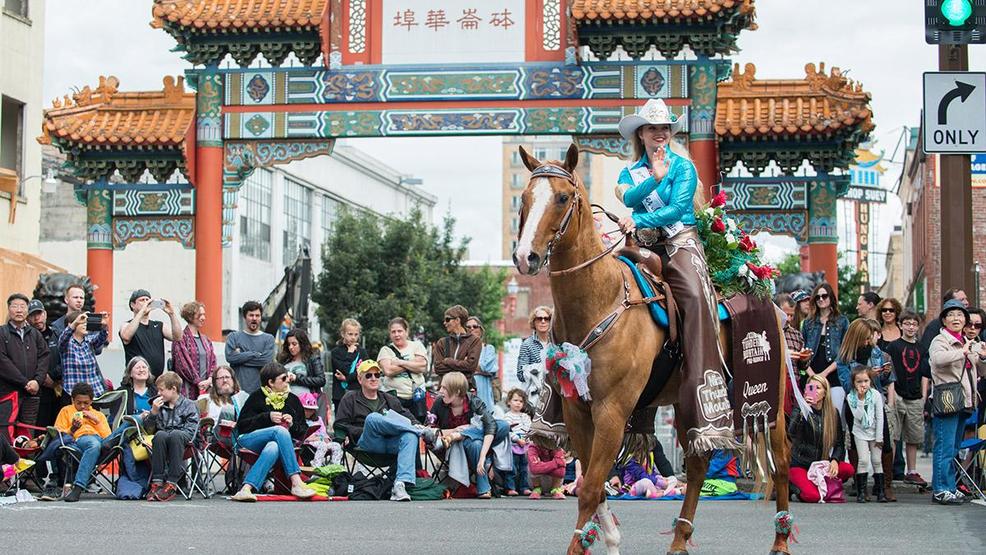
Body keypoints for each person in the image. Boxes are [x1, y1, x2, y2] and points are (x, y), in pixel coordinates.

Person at [615, 97, 736, 452]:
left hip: (680, 241)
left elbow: (679, 209)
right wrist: (653, 177)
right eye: (653, 128)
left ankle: (705, 383)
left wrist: (640, 217)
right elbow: (628, 197)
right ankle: (636, 397)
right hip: (646, 246)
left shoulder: (684, 167)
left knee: (697, 297)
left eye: (665, 128)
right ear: (641, 133)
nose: (660, 134)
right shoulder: (629, 172)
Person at [334, 359, 433, 502]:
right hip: (367, 442)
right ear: (359, 379)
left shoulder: (388, 398)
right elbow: (340, 425)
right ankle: (421, 432)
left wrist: (415, 424)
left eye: (377, 375)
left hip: (390, 442)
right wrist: (353, 433)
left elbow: (407, 416)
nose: (374, 378)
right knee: (373, 418)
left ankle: (400, 485)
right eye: (368, 375)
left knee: (410, 435)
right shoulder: (350, 398)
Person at [230, 362, 316, 502]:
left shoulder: (293, 400)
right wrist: (266, 417)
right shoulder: (256, 397)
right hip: (249, 439)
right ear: (270, 382)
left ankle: (246, 489)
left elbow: (302, 431)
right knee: (279, 431)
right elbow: (242, 425)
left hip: (278, 443)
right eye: (283, 378)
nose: (287, 380)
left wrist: (292, 424)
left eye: (287, 377)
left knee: (273, 447)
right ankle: (296, 481)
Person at [928, 299, 984, 505]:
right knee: (944, 447)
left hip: (965, 400)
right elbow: (937, 360)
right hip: (948, 399)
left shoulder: (968, 341)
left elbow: (980, 371)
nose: (956, 318)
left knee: (953, 448)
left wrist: (983, 357)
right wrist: (963, 351)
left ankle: (950, 487)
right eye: (951, 315)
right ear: (944, 320)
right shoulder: (940, 341)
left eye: (960, 315)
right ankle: (941, 489)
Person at [430, 371, 509, 499]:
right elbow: (429, 430)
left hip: (474, 444)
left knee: (503, 425)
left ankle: (462, 435)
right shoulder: (439, 403)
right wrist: (454, 430)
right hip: (450, 446)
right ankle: (484, 489)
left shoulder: (474, 401)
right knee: (476, 443)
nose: (440, 391)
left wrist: (483, 456)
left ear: (457, 392)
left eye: (444, 388)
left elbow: (491, 426)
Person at [786, 375, 853, 503]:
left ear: (825, 393)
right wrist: (803, 410)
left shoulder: (833, 413)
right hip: (800, 463)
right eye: (811, 387)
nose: (814, 391)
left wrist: (834, 460)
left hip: (820, 464)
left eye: (818, 388)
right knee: (813, 497)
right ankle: (793, 485)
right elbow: (791, 433)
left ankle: (819, 485)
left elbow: (839, 443)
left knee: (847, 469)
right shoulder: (800, 408)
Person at [884, 310, 930, 489]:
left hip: (916, 396)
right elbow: (890, 372)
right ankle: (888, 471)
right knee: (894, 435)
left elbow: (925, 374)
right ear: (900, 325)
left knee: (913, 437)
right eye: (907, 324)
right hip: (898, 394)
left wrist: (924, 396)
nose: (910, 327)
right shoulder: (893, 347)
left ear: (918, 327)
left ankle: (911, 471)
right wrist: (892, 396)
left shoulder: (921, 348)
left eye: (914, 324)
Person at [143, 371, 200, 502]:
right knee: (160, 434)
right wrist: (153, 413)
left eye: (161, 390)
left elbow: (191, 430)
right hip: (164, 442)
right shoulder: (159, 406)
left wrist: (175, 433)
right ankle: (157, 482)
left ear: (173, 389)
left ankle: (172, 483)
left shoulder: (189, 405)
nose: (159, 393)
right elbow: (149, 430)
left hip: (185, 441)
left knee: (175, 434)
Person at [49, 382, 111, 502]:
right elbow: (59, 435)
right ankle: (78, 487)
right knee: (93, 444)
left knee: (98, 443)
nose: (82, 406)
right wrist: (72, 429)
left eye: (86, 403)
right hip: (77, 440)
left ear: (91, 401)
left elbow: (108, 436)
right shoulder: (66, 411)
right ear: (73, 400)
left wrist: (96, 421)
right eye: (79, 403)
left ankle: (78, 487)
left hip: (100, 441)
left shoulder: (98, 415)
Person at [0, 293, 49, 437]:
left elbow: (44, 356)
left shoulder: (34, 334)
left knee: (27, 432)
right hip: (8, 393)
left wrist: (37, 381)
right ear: (9, 309)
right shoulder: (2, 333)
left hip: (31, 393)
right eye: (15, 306)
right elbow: (2, 362)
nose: (19, 310)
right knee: (5, 432)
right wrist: (24, 382)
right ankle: (7, 460)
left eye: (22, 306)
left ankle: (27, 459)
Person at [802, 283, 850, 413]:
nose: (821, 299)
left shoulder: (842, 321)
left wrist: (825, 373)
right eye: (817, 297)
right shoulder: (808, 322)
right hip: (812, 374)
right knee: (811, 413)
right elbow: (802, 350)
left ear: (831, 298)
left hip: (835, 376)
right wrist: (811, 374)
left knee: (835, 414)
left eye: (824, 296)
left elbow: (845, 352)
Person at [119, 289, 182, 379]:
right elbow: (126, 337)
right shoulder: (127, 325)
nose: (146, 303)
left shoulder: (159, 325)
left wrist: (172, 314)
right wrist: (141, 312)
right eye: (142, 300)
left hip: (156, 381)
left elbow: (178, 337)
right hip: (136, 379)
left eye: (147, 300)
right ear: (132, 305)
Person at [844, 367, 886, 503]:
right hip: (860, 432)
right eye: (859, 382)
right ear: (854, 383)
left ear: (870, 381)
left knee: (877, 460)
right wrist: (861, 400)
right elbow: (858, 416)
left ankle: (881, 491)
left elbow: (880, 417)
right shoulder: (851, 397)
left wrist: (879, 437)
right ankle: (861, 492)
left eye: (866, 381)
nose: (863, 385)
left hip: (875, 432)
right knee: (863, 460)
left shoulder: (875, 395)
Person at [377, 317, 428, 422]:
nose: (397, 334)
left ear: (406, 332)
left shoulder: (417, 345)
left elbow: (422, 366)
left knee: (419, 426)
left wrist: (401, 362)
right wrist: (412, 363)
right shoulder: (386, 350)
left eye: (400, 331)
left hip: (416, 397)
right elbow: (388, 371)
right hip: (394, 398)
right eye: (393, 332)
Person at [225, 301, 276, 394]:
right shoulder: (234, 336)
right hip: (237, 391)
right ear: (245, 317)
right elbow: (230, 357)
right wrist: (254, 354)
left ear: (261, 317)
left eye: (257, 315)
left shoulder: (269, 339)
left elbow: (266, 361)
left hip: (260, 392)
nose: (254, 318)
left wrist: (240, 357)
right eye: (251, 315)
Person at [27, 299, 63, 427]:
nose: (37, 318)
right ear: (27, 318)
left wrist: (53, 378)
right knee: (40, 428)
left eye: (39, 313)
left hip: (57, 389)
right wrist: (41, 377)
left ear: (45, 314)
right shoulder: (26, 338)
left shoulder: (57, 334)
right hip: (37, 392)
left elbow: (65, 358)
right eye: (32, 315)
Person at [59, 310, 110, 398]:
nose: (85, 324)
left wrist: (104, 325)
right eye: (82, 322)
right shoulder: (67, 343)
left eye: (86, 322)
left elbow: (101, 337)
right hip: (73, 394)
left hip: (93, 393)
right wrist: (75, 323)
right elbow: (63, 339)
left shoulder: (89, 340)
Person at [171, 301, 217, 399]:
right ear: (190, 316)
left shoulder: (206, 339)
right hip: (187, 388)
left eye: (204, 315)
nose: (203, 318)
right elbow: (182, 364)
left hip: (206, 388)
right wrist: (198, 382)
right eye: (200, 315)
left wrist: (209, 379)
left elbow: (213, 360)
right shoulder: (181, 338)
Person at [432, 305, 482, 383]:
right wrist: (463, 364)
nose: (444, 323)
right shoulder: (442, 342)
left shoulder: (475, 341)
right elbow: (438, 368)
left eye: (447, 319)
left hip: (465, 389)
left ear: (457, 320)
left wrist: (448, 361)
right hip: (445, 389)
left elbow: (471, 366)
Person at [516, 306, 553, 411]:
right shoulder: (527, 344)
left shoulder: (556, 341)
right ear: (534, 322)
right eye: (539, 318)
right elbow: (520, 374)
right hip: (535, 397)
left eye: (547, 319)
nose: (543, 321)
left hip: (556, 392)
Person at [329, 318, 368, 416]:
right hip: (340, 395)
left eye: (356, 334)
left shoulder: (362, 352)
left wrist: (346, 378)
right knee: (341, 422)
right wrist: (350, 353)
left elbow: (364, 372)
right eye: (350, 334)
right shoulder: (336, 352)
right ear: (343, 334)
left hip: (359, 393)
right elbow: (343, 369)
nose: (353, 338)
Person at [204, 365, 249, 442]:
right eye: (221, 378)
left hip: (243, 436)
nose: (225, 380)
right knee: (227, 411)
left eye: (227, 377)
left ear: (233, 380)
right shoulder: (206, 400)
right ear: (215, 382)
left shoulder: (243, 397)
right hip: (217, 440)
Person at [277, 328, 326, 397]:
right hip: (285, 400)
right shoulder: (284, 360)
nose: (290, 347)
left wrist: (296, 378)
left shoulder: (312, 359)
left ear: (302, 344)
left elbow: (321, 380)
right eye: (288, 344)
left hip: (307, 402)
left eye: (294, 344)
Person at [776, 293, 810, 392]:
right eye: (786, 315)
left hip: (794, 386)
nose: (789, 319)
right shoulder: (767, 332)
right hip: (774, 384)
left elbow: (803, 367)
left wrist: (804, 359)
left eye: (792, 315)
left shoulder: (797, 335)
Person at [501, 388, 532, 496]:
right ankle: (510, 487)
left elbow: (529, 429)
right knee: (512, 468)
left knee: (524, 468)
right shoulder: (507, 416)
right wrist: (517, 439)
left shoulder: (525, 416)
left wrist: (526, 438)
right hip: (513, 446)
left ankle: (524, 487)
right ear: (509, 401)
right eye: (515, 400)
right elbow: (507, 431)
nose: (518, 403)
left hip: (525, 446)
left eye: (521, 401)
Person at [298, 392, 340, 467]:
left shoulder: (318, 419)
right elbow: (302, 436)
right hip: (308, 443)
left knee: (336, 446)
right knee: (322, 445)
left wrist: (327, 438)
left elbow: (323, 432)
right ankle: (316, 466)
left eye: (311, 409)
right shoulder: (299, 421)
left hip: (321, 440)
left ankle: (334, 466)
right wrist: (316, 438)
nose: (309, 412)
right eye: (306, 409)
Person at [466, 316, 498, 410]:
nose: (472, 329)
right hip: (466, 388)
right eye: (468, 327)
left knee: (485, 417)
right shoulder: (462, 349)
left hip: (484, 390)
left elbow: (485, 367)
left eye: (475, 326)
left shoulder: (489, 348)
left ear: (480, 329)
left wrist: (465, 362)